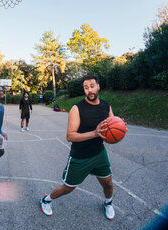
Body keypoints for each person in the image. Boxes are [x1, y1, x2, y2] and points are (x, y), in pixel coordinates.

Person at [39, 74, 116, 220]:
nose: (89, 90)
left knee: (108, 183)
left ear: (98, 86)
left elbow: (112, 126)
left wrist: (119, 127)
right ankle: (46, 200)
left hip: (99, 153)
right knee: (68, 188)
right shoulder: (77, 108)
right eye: (86, 88)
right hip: (80, 156)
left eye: (92, 86)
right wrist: (94, 133)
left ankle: (108, 202)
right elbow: (70, 136)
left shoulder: (106, 105)